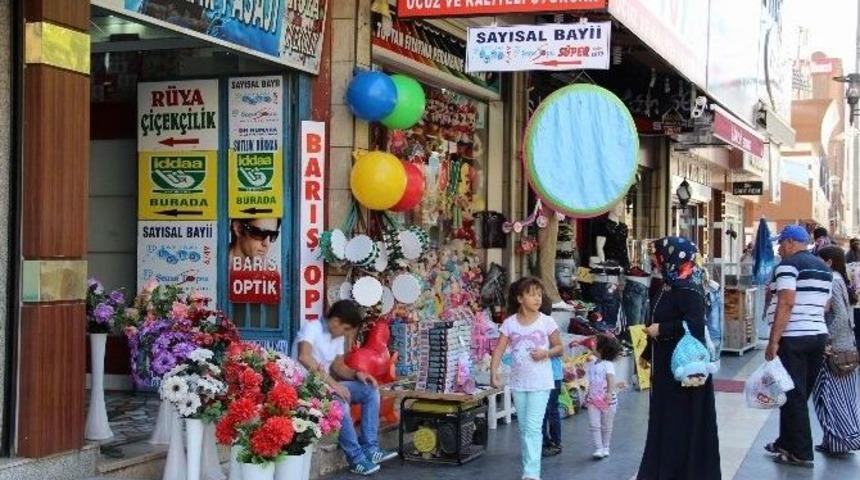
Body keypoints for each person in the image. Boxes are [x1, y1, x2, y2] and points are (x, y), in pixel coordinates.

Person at [636, 236, 720, 480]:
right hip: (665, 367)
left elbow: (694, 326)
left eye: (657, 253)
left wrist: (661, 330)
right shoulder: (670, 283)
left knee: (680, 423)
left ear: (671, 256)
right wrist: (646, 354)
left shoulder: (687, 287)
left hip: (683, 372)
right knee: (667, 422)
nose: (653, 258)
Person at [295, 300, 396, 475]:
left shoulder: (337, 336)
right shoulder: (312, 328)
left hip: (326, 387)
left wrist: (358, 374)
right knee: (338, 402)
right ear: (335, 322)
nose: (347, 334)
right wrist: (334, 385)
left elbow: (339, 367)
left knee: (370, 390)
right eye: (347, 329)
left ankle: (371, 449)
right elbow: (304, 357)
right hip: (307, 390)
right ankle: (356, 459)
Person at [764, 225, 831, 468]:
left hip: (793, 337)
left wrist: (773, 340)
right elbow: (825, 305)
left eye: (781, 243)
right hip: (817, 336)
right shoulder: (824, 268)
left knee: (794, 394)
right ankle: (786, 442)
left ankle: (801, 452)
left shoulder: (788, 266)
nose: (779, 248)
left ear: (792, 242)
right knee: (795, 394)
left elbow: (786, 302)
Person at [491, 277, 563, 480]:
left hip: (541, 383)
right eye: (532, 294)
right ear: (520, 298)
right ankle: (528, 468)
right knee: (524, 429)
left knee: (532, 428)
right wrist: (493, 372)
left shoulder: (546, 321)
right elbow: (499, 349)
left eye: (539, 294)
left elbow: (559, 347)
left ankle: (531, 473)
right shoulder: (509, 323)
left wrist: (545, 353)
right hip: (518, 383)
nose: (537, 298)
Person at [812, 246, 860, 456]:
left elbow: (840, 316)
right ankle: (835, 440)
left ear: (829, 262)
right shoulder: (842, 278)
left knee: (829, 394)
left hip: (835, 349)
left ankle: (842, 439)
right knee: (843, 396)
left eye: (819, 260)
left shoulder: (832, 280)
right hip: (846, 347)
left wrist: (825, 337)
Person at [586, 334, 625, 459]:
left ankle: (606, 446)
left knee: (606, 425)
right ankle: (599, 448)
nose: (592, 345)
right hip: (593, 399)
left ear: (601, 349)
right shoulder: (593, 361)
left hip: (607, 400)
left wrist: (609, 392)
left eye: (595, 344)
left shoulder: (608, 364)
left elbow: (610, 378)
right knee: (594, 424)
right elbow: (590, 358)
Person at [539, 294, 564, 458]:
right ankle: (543, 441)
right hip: (541, 376)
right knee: (542, 411)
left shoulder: (548, 326)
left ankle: (554, 442)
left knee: (550, 410)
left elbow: (559, 349)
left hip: (552, 375)